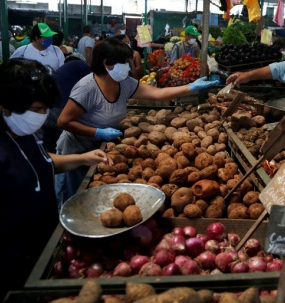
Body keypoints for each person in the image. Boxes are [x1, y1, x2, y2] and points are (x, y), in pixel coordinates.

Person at [56, 38, 219, 208]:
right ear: (107, 64)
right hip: (76, 149)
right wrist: (97, 132)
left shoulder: (124, 83)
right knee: (74, 197)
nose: (129, 66)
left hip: (102, 149)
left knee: (95, 199)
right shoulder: (87, 88)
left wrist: (190, 87)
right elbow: (64, 121)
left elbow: (157, 94)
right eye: (125, 62)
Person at [0, 58, 110, 301]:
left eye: (45, 109)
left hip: (40, 247)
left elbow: (43, 163)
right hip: (10, 258)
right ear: (6, 106)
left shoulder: (24, 132)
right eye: (37, 109)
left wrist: (82, 158)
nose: (43, 115)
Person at [41, 53, 91, 152]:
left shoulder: (62, 70)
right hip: (61, 108)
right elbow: (92, 88)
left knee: (50, 149)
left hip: (46, 109)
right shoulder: (83, 65)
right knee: (66, 145)